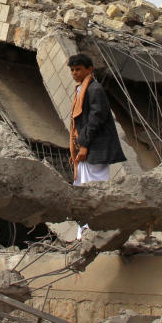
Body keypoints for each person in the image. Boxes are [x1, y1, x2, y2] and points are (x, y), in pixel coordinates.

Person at [67, 53, 126, 237]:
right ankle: (84, 232)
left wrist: (84, 145)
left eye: (78, 69)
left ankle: (97, 230)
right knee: (83, 186)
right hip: (87, 147)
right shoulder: (81, 89)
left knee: (95, 187)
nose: (74, 73)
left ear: (89, 70)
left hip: (96, 148)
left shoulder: (94, 89)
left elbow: (96, 119)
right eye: (72, 70)